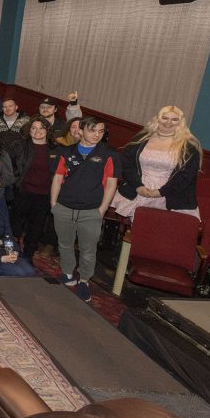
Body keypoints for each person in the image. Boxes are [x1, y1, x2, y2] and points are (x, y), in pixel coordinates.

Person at [50, 117, 121, 301]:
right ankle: (67, 274)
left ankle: (84, 280)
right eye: (92, 130)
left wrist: (102, 210)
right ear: (81, 130)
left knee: (88, 250)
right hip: (64, 207)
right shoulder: (66, 151)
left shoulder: (109, 154)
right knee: (64, 244)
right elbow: (57, 178)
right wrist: (54, 205)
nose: (97, 135)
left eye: (100, 131)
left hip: (91, 211)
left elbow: (111, 185)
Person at [113, 105, 202, 221]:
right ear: (158, 119)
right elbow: (127, 165)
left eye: (174, 119)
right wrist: (138, 186)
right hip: (137, 191)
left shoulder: (189, 147)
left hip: (170, 196)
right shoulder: (141, 139)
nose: (168, 122)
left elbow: (186, 177)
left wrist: (161, 192)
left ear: (180, 123)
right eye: (165, 118)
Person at [10, 116, 60, 262]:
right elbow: (10, 166)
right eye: (34, 128)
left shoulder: (55, 149)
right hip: (22, 192)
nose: (37, 131)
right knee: (16, 226)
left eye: (41, 128)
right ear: (29, 130)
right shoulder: (19, 145)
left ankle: (28, 255)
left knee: (36, 228)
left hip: (44, 195)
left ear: (47, 130)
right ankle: (12, 252)